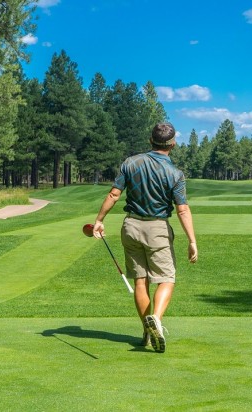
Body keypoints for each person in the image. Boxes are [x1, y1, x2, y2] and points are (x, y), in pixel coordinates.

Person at [92, 122, 198, 353]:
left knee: (141, 281)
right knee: (166, 278)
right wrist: (192, 241)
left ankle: (147, 332)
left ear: (151, 141)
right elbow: (182, 209)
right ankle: (156, 321)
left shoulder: (130, 163)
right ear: (173, 143)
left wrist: (99, 220)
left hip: (130, 226)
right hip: (157, 228)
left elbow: (114, 194)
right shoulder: (175, 174)